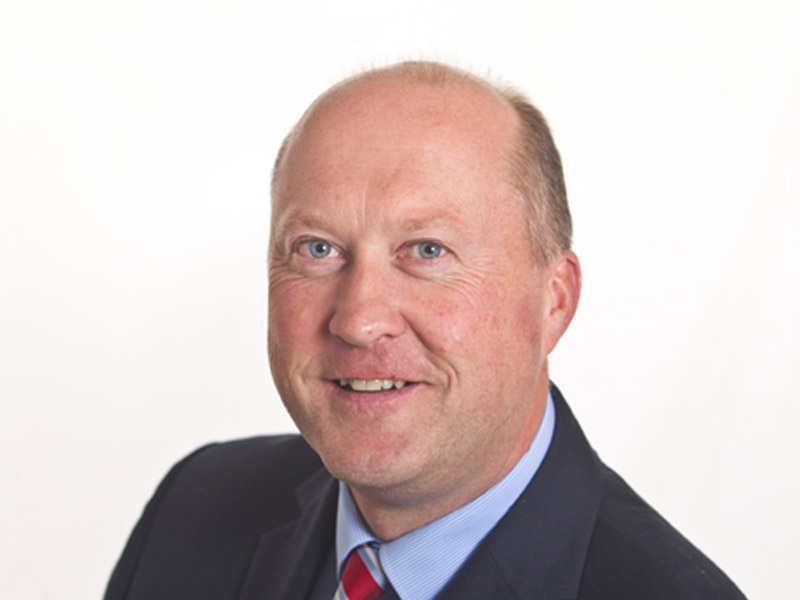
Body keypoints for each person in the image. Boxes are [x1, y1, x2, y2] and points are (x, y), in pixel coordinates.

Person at [104, 61, 747, 599]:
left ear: (554, 301)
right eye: (318, 248)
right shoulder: (194, 506)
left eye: (427, 251)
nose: (360, 321)